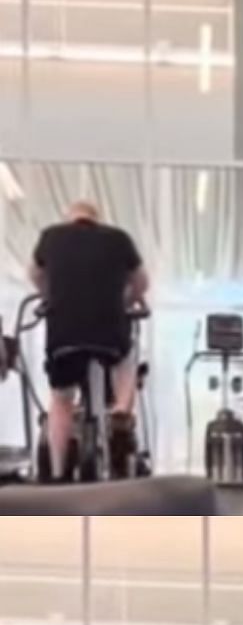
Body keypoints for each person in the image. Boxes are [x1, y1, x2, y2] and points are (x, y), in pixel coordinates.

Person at [29, 200, 148, 481]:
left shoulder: (51, 236)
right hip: (109, 327)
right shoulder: (119, 238)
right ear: (97, 219)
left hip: (64, 331)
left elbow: (34, 274)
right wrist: (126, 301)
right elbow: (143, 282)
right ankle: (120, 412)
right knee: (125, 363)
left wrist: (49, 296)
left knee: (61, 398)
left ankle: (58, 473)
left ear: (70, 218)